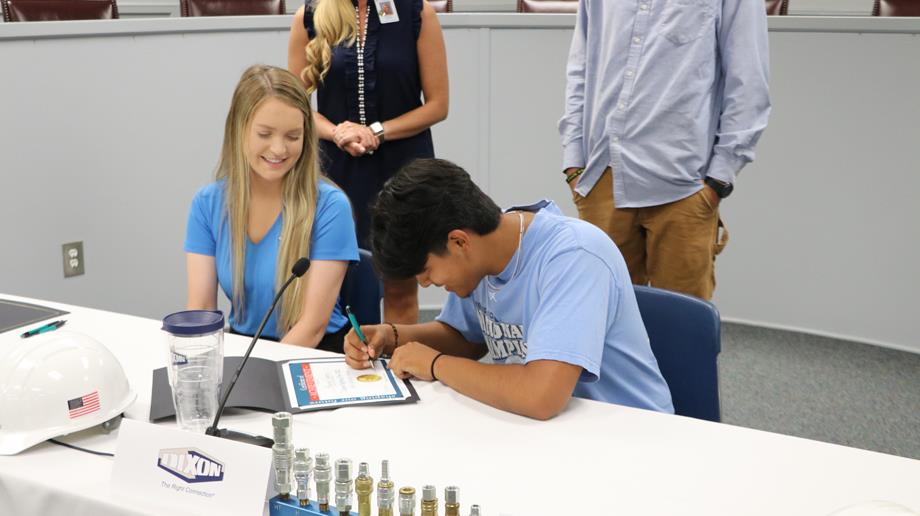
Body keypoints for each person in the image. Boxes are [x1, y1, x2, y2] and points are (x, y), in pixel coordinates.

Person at [344, 159, 674, 420]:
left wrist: (434, 364)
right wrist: (393, 336)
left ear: (459, 241)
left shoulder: (573, 256)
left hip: (627, 433)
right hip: (546, 429)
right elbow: (466, 339)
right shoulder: (483, 256)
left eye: (426, 271)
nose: (425, 283)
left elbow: (540, 396)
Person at [559, 0, 771, 300]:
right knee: (601, 322)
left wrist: (719, 179)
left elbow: (748, 80)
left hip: (684, 187)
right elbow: (581, 63)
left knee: (682, 331)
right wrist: (573, 162)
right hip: (603, 178)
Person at [287, 0, 449, 324]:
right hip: (337, 170)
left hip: (403, 170)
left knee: (401, 287)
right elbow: (295, 104)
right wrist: (338, 133)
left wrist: (377, 131)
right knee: (337, 287)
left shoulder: (418, 13)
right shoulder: (309, 16)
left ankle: (399, 367)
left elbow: (438, 105)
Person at [185, 65, 359, 352]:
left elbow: (312, 326)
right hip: (244, 348)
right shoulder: (207, 204)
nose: (279, 149)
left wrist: (253, 374)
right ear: (238, 129)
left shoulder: (330, 206)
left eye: (293, 137)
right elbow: (201, 310)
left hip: (315, 351)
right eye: (265, 134)